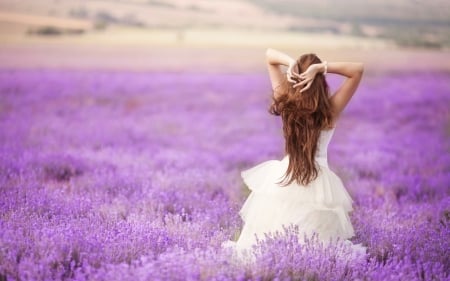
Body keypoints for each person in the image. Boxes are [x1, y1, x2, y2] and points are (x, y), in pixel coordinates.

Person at [222, 48, 366, 260]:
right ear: (321, 81)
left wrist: (291, 64)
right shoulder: (330, 111)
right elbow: (358, 70)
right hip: (319, 183)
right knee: (317, 251)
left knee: (266, 243)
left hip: (284, 177)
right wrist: (321, 67)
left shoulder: (285, 100)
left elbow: (270, 56)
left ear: (295, 74)